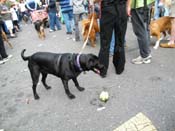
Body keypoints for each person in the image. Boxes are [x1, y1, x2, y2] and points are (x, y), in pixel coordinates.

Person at [94, 0, 131, 77]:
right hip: (121, 8)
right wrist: (128, 6)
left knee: (105, 42)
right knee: (120, 40)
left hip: (108, 9)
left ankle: (102, 70)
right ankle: (119, 68)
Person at [129, 0, 154, 65]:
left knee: (140, 30)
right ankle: (147, 53)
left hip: (138, 4)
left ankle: (145, 56)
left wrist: (128, 5)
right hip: (148, 2)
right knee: (145, 28)